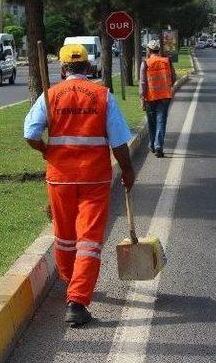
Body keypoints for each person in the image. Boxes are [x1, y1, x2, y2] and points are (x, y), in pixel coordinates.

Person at [24, 44, 135, 326]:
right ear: (88, 68)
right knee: (88, 240)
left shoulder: (50, 96)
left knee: (64, 236)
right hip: (94, 178)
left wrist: (45, 149)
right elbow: (119, 140)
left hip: (60, 177)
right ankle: (77, 299)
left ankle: (71, 283)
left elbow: (30, 133)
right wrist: (127, 170)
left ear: (62, 70)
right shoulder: (102, 96)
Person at [139, 40, 176, 158]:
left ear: (149, 50)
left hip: (151, 97)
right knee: (161, 121)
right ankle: (158, 145)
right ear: (159, 50)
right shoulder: (167, 61)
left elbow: (143, 83)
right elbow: (173, 77)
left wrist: (142, 99)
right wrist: (167, 86)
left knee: (152, 121)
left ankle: (153, 145)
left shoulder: (146, 63)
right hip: (165, 96)